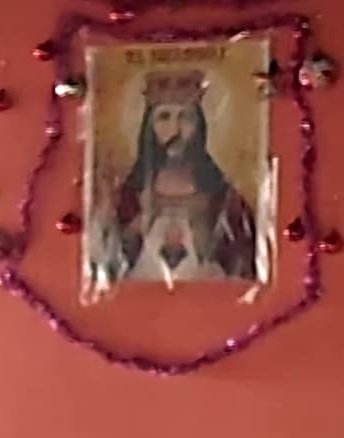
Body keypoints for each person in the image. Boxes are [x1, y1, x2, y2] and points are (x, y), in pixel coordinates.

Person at [101, 68, 259, 286]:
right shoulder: (129, 194)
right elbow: (110, 256)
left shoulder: (222, 194)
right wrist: (136, 226)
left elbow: (242, 256)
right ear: (149, 126)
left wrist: (205, 233)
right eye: (164, 117)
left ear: (199, 125)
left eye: (186, 117)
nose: (175, 129)